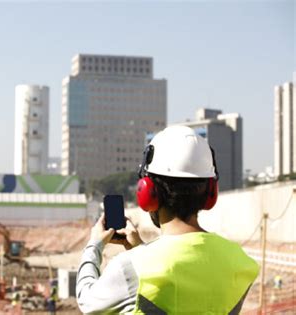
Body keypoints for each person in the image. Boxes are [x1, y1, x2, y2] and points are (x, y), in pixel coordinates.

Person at [76, 126, 260, 314]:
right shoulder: (239, 262)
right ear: (210, 193)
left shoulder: (128, 268)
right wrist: (140, 249)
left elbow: (86, 301)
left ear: (148, 193)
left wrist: (94, 245)